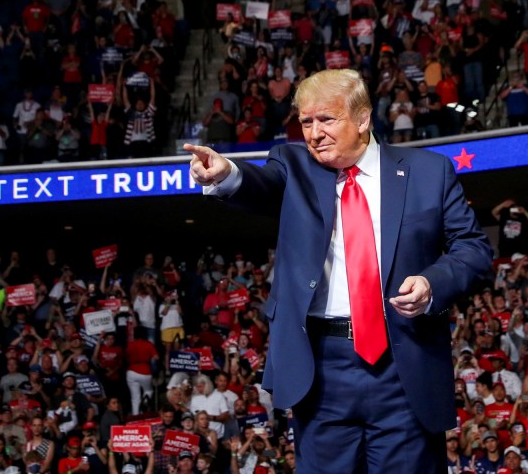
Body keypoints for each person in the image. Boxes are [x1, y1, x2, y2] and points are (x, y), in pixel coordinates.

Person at [185, 68, 493, 474]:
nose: (314, 133)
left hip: (403, 364)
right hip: (321, 371)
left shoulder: (428, 172)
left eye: (326, 119)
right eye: (306, 122)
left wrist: (431, 283)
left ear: (363, 119)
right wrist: (227, 174)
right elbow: (260, 184)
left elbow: (474, 250)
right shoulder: (292, 164)